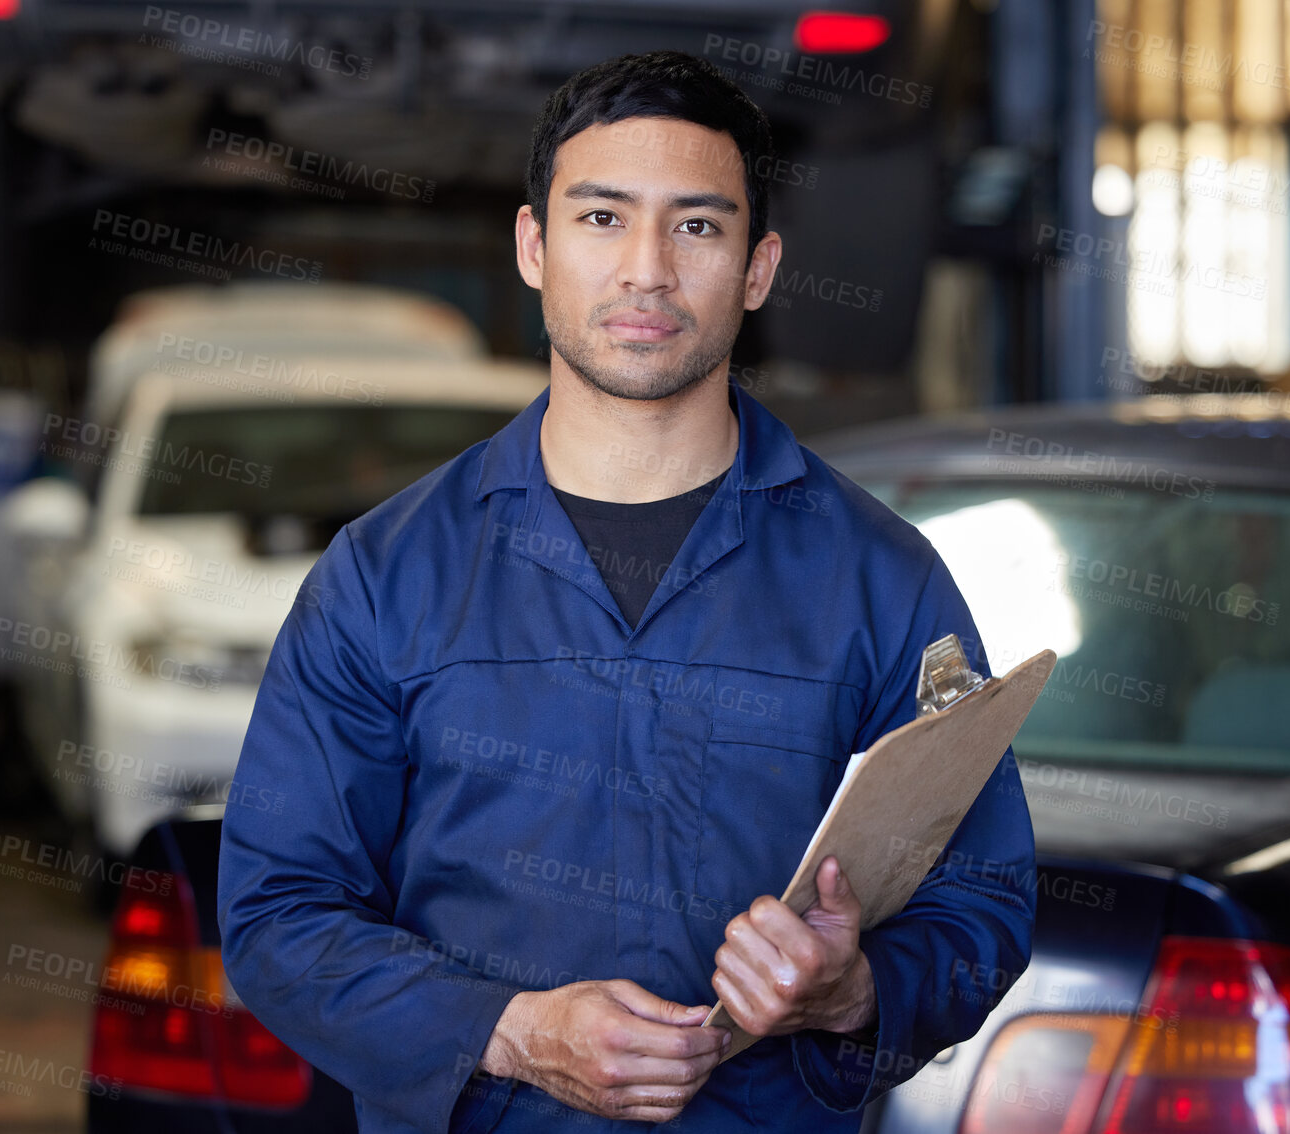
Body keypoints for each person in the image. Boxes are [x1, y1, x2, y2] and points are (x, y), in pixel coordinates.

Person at [218, 49, 1035, 1133]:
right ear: (533, 246)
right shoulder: (383, 579)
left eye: (696, 225)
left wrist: (855, 989)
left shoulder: (879, 580)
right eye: (602, 218)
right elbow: (279, 915)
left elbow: (982, 898)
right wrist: (511, 1030)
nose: (646, 268)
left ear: (756, 267)